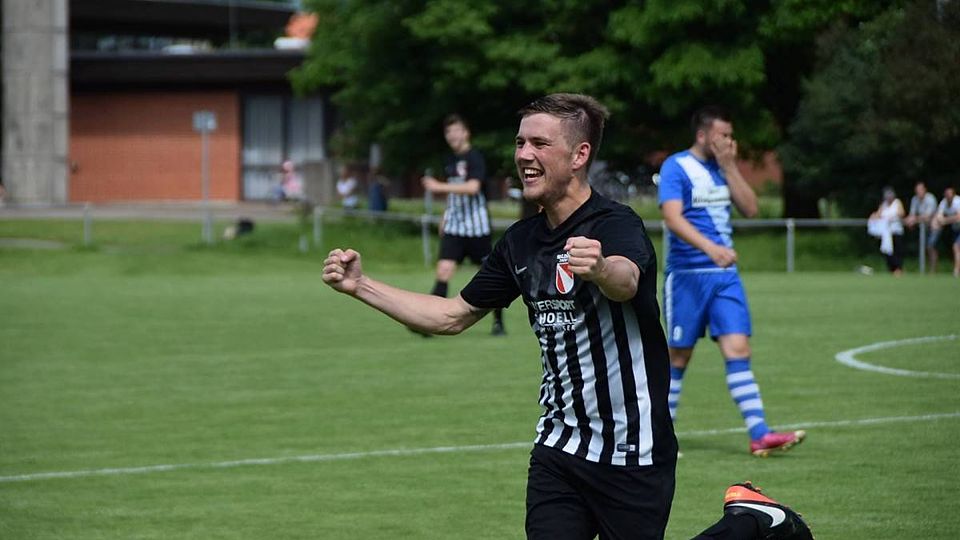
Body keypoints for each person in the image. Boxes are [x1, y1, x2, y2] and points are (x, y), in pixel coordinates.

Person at [323, 93, 813, 540]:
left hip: (633, 450)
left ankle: (750, 522)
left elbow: (626, 279)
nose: (523, 155)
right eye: (520, 143)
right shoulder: (520, 242)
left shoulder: (616, 224)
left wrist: (599, 269)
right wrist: (361, 287)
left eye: (539, 144)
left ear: (579, 155)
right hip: (560, 446)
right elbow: (451, 315)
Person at [657, 106, 806, 457]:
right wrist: (711, 249)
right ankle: (661, 437)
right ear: (702, 135)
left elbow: (751, 209)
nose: (729, 141)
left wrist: (730, 167)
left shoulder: (723, 170)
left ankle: (759, 434)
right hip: (687, 277)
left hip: (725, 278)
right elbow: (672, 218)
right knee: (678, 357)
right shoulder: (676, 166)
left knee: (739, 349)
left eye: (730, 135)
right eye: (722, 135)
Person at [420, 114, 505, 336]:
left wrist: (438, 187)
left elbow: (472, 188)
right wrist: (445, 216)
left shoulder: (475, 158)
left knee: (489, 275)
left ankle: (498, 322)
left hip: (477, 228)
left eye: (456, 130)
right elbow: (454, 194)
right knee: (443, 270)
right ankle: (430, 323)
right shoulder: (449, 160)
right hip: (455, 227)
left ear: (466, 133)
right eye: (448, 132)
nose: (452, 135)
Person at [868, 187, 905, 275]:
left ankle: (899, 268)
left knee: (897, 251)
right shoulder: (883, 204)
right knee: (888, 251)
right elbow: (878, 214)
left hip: (896, 231)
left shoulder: (897, 203)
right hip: (887, 233)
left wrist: (892, 217)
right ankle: (891, 269)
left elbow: (902, 213)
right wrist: (874, 216)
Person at [904, 181, 939, 273]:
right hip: (922, 227)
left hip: (934, 226)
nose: (918, 192)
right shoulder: (914, 199)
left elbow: (928, 216)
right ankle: (924, 268)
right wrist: (909, 220)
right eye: (917, 190)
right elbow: (912, 214)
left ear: (924, 190)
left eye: (920, 190)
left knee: (930, 246)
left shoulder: (930, 199)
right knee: (925, 247)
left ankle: (933, 270)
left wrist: (914, 219)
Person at [929, 186, 960, 277]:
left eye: (950, 194)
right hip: (955, 229)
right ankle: (956, 270)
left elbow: (958, 217)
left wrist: (945, 221)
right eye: (946, 194)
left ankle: (956, 271)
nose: (948, 196)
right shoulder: (943, 202)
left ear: (953, 195)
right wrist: (935, 223)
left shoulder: (958, 202)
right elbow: (939, 216)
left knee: (956, 247)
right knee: (955, 248)